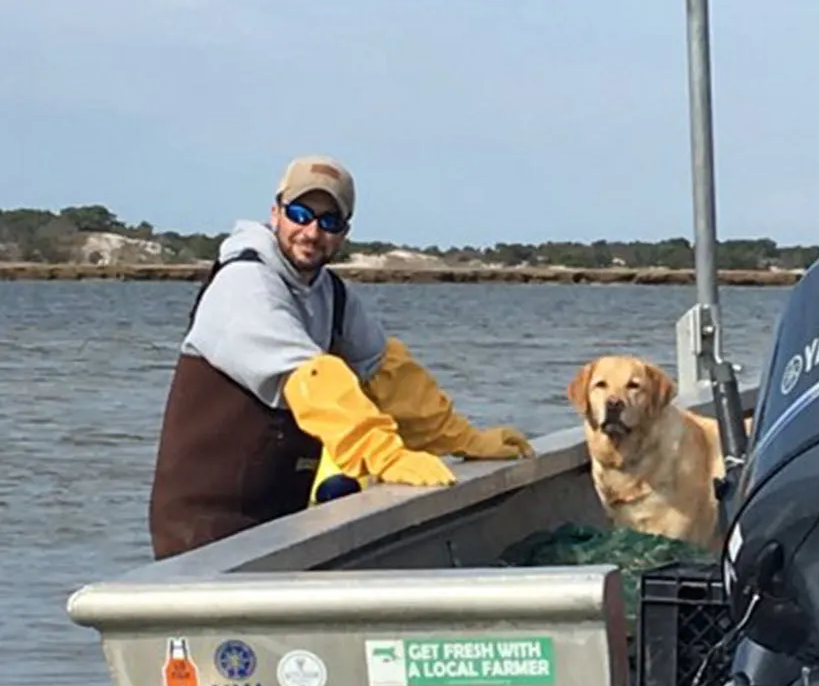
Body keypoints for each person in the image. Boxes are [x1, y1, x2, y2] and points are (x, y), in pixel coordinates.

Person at [148, 154, 533, 559]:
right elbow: (312, 381)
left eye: (329, 222)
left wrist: (463, 439)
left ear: (344, 232)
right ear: (275, 213)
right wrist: (384, 455)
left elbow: (390, 375)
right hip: (203, 535)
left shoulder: (332, 296)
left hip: (279, 525)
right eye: (300, 214)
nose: (312, 232)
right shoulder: (245, 286)